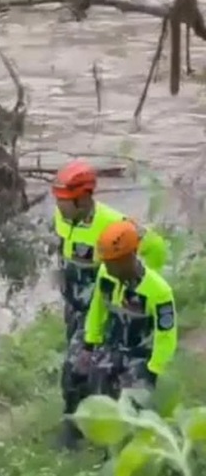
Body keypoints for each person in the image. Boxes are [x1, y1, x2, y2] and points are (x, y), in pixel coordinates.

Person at [51, 159, 169, 447]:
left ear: (84, 197)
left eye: (65, 201)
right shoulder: (62, 218)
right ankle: (96, 424)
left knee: (76, 370)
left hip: (99, 309)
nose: (59, 206)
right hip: (74, 308)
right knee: (87, 368)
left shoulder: (114, 224)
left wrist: (137, 287)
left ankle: (78, 429)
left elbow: (156, 248)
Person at [73, 220, 176, 405]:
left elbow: (166, 337)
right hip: (111, 349)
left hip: (140, 357)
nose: (109, 268)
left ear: (131, 256)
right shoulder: (106, 275)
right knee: (88, 391)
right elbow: (98, 309)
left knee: (130, 406)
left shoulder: (159, 292)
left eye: (114, 263)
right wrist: (89, 345)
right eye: (107, 263)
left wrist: (153, 371)